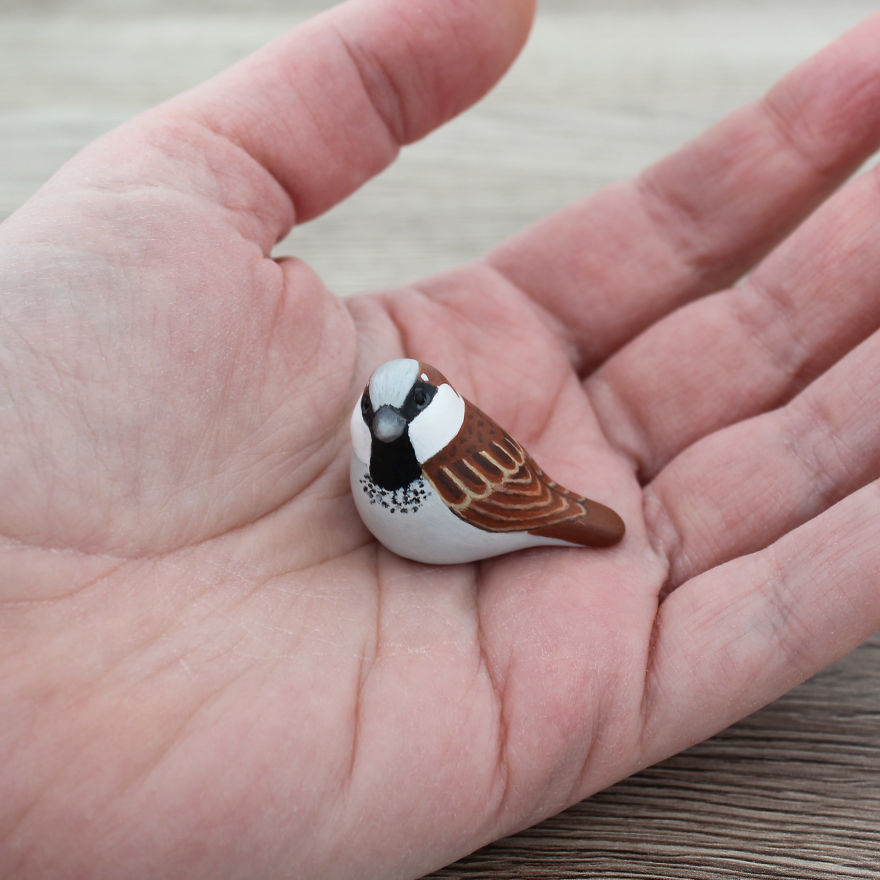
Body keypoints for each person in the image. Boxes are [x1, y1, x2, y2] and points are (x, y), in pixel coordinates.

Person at [1, 1, 879, 877]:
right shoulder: (373, 463)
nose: (387, 435)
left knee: (582, 519)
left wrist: (569, 516)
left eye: (403, 420)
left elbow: (526, 502)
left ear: (432, 412)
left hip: (522, 514)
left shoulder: (460, 476)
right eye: (379, 422)